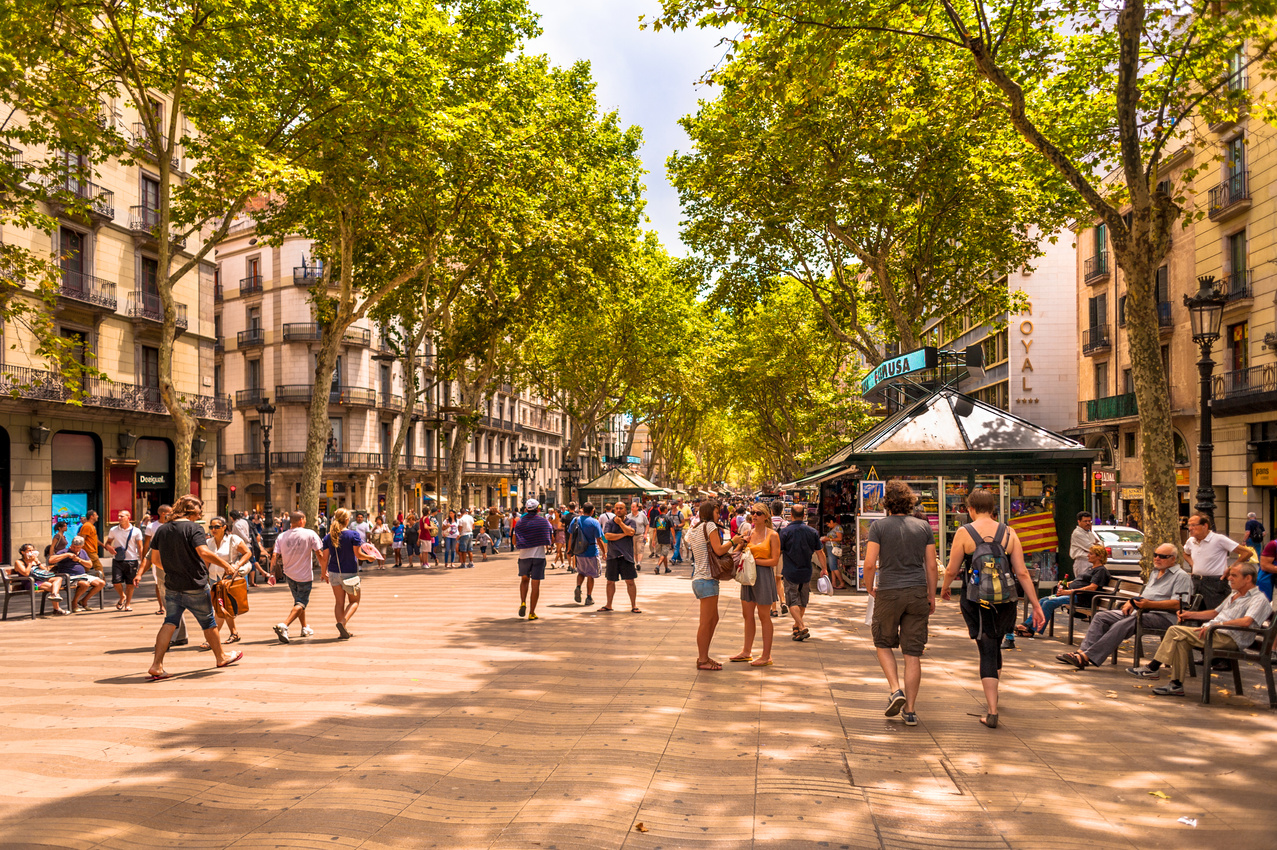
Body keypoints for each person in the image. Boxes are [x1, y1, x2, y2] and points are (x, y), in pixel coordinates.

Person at [941, 489, 1044, 729]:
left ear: (970, 509)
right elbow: (1022, 573)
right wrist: (1036, 605)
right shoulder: (1009, 533)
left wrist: (944, 588)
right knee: (995, 643)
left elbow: (951, 569)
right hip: (1006, 601)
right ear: (993, 509)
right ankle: (993, 695)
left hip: (976, 600)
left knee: (986, 648)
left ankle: (992, 711)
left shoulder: (964, 532)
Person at [1128, 558, 1271, 696]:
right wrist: (1190, 615)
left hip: (1230, 638)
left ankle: (1153, 667)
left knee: (1174, 630)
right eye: (1230, 575)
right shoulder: (1235, 594)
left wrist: (1217, 624)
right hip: (1214, 633)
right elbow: (1215, 612)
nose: (1229, 578)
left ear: (1248, 579)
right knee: (1180, 641)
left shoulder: (1258, 599)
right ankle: (1176, 685)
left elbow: (1246, 622)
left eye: (1234, 575)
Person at [145, 495, 243, 680]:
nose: (201, 514)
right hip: (195, 584)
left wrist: (175, 569)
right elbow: (203, 552)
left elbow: (155, 560)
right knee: (208, 622)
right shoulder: (193, 528)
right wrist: (227, 566)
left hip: (173, 584)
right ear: (192, 511)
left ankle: (156, 665)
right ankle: (221, 657)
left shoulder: (162, 530)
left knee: (170, 622)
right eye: (199, 510)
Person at [862, 482, 936, 726]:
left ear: (886, 503)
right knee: (913, 653)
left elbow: (870, 563)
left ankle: (895, 690)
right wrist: (931, 595)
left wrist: (870, 587)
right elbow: (932, 565)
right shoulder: (923, 527)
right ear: (909, 501)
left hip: (889, 591)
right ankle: (911, 711)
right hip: (917, 593)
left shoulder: (879, 527)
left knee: (883, 642)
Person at [1057, 542, 1192, 669]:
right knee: (1101, 617)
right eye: (1155, 555)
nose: (1157, 558)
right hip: (1141, 612)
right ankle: (1081, 652)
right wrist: (1132, 601)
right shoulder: (1155, 573)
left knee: (1125, 622)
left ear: (1173, 559)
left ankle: (1087, 656)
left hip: (1164, 617)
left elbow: (1178, 604)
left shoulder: (1181, 577)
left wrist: (1149, 604)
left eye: (1162, 556)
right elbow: (1146, 596)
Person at [1015, 544, 1111, 637]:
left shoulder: (1101, 570)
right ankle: (1027, 625)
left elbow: (1092, 587)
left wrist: (1069, 592)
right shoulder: (1090, 568)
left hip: (1082, 598)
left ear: (1099, 556)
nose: (1088, 555)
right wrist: (1068, 583)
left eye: (1091, 554)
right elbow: (1081, 581)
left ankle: (1031, 629)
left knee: (1050, 602)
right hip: (1073, 595)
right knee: (1044, 600)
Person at [730, 502, 781, 667]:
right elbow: (736, 553)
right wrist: (741, 542)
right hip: (748, 577)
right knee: (747, 614)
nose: (755, 515)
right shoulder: (748, 533)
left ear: (766, 516)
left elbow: (774, 560)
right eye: (753, 512)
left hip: (764, 576)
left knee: (764, 615)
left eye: (759, 513)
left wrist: (754, 561)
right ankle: (746, 651)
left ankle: (766, 655)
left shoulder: (772, 535)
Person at [320, 507, 377, 639]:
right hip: (350, 573)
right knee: (355, 601)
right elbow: (358, 554)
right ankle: (342, 622)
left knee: (339, 602)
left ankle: (343, 631)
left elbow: (324, 558)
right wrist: (369, 557)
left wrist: (323, 573)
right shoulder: (353, 535)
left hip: (334, 572)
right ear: (347, 520)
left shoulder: (328, 537)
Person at [689, 501, 732, 670]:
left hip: (700, 579)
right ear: (709, 512)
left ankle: (705, 656)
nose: (718, 515)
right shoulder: (710, 526)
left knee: (713, 619)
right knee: (706, 622)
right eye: (716, 512)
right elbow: (719, 550)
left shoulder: (695, 528)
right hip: (706, 579)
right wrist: (734, 542)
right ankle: (702, 659)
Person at [271, 511, 323, 644]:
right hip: (304, 575)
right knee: (301, 602)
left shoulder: (281, 536)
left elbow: (274, 556)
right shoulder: (310, 533)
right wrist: (325, 570)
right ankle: (285, 625)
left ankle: (304, 627)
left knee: (298, 602)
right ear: (301, 520)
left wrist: (272, 574)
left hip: (289, 574)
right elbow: (319, 553)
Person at [779, 504, 827, 643]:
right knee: (803, 599)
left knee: (792, 600)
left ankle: (801, 626)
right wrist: (824, 568)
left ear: (791, 515)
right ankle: (797, 627)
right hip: (806, 572)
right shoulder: (812, 532)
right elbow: (820, 552)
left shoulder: (785, 532)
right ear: (804, 515)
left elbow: (779, 552)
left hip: (790, 572)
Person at [204, 516, 253, 647]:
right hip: (214, 578)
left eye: (217, 527)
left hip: (227, 579)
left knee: (220, 609)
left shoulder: (233, 539)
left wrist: (237, 565)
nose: (213, 529)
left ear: (224, 527)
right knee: (225, 607)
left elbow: (248, 553)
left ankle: (211, 640)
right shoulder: (209, 543)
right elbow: (206, 561)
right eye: (211, 527)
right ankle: (234, 633)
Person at [1183, 513, 1241, 610]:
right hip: (1196, 582)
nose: (1190, 528)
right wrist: (1193, 564)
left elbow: (1246, 553)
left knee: (1216, 612)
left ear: (1205, 526)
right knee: (1195, 610)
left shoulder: (1219, 539)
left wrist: (1231, 569)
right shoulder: (1191, 541)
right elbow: (1185, 553)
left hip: (1215, 583)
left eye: (1193, 525)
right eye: (1189, 525)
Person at [514, 499, 553, 620]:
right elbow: (550, 539)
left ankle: (523, 602)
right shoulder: (544, 522)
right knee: (535, 584)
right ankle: (532, 612)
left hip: (524, 556)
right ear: (539, 510)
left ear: (526, 510)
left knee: (524, 580)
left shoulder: (520, 523)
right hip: (539, 557)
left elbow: (514, 541)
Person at [602, 501, 640, 613]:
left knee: (630, 581)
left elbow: (632, 532)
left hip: (626, 556)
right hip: (612, 556)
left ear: (625, 510)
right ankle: (608, 605)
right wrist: (624, 534)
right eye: (617, 508)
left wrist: (621, 524)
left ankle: (634, 605)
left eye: (621, 508)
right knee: (610, 581)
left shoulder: (631, 521)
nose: (618, 510)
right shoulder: (609, 523)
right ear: (614, 510)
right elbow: (607, 536)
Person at [49, 536, 106, 611]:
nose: (75, 549)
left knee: (101, 583)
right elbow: (51, 560)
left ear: (82, 546)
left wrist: (79, 560)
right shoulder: (64, 551)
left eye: (78, 547)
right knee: (84, 584)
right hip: (69, 576)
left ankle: (84, 601)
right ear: (71, 544)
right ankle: (74, 603)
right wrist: (67, 555)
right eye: (73, 547)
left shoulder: (83, 552)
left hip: (82, 575)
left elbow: (90, 565)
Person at [13, 543, 69, 615]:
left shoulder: (34, 560)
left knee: (58, 579)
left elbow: (46, 570)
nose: (31, 552)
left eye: (32, 550)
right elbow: (26, 574)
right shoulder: (19, 562)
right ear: (23, 552)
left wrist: (38, 563)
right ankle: (57, 608)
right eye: (29, 550)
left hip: (40, 579)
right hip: (30, 583)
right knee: (53, 587)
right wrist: (30, 562)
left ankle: (54, 595)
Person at [105, 510, 144, 612]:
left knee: (130, 584)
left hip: (132, 560)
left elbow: (140, 547)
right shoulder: (113, 530)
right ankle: (122, 596)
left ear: (128, 517)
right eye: (118, 516)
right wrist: (109, 548)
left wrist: (143, 561)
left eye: (122, 516)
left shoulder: (136, 531)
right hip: (118, 559)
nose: (119, 518)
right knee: (116, 582)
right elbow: (107, 543)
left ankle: (127, 604)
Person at [569, 503, 605, 606]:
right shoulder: (594, 522)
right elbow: (599, 539)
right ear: (592, 511)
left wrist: (569, 549)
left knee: (581, 572)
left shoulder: (575, 520)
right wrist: (604, 552)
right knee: (590, 575)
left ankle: (578, 587)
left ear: (583, 509)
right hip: (591, 551)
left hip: (579, 552)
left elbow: (571, 536)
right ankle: (589, 597)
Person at [821, 518, 846, 590]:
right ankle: (833, 583)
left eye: (828, 524)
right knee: (832, 567)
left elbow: (839, 538)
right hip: (830, 548)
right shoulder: (834, 528)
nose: (828, 525)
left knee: (833, 566)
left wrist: (828, 539)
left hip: (833, 548)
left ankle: (841, 582)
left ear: (831, 521)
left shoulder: (838, 528)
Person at [627, 501, 648, 573]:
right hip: (631, 536)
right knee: (634, 551)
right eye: (631, 507)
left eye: (633, 507)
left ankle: (639, 563)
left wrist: (645, 534)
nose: (632, 508)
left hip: (640, 535)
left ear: (637, 508)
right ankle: (636, 563)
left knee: (640, 549)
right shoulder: (629, 516)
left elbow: (647, 524)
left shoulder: (642, 515)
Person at [652, 505, 674, 574]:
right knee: (663, 554)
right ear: (665, 510)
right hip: (666, 538)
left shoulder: (656, 518)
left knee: (664, 554)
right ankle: (657, 566)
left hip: (659, 538)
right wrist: (674, 538)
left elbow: (655, 530)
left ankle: (666, 568)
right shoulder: (668, 518)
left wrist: (653, 540)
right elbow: (672, 529)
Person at [670, 499, 686, 565]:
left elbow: (683, 523)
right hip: (672, 531)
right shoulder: (669, 513)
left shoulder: (680, 513)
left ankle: (673, 559)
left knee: (676, 545)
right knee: (674, 545)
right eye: (671, 504)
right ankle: (679, 558)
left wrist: (677, 525)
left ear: (676, 505)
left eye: (673, 504)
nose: (672, 505)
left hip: (678, 531)